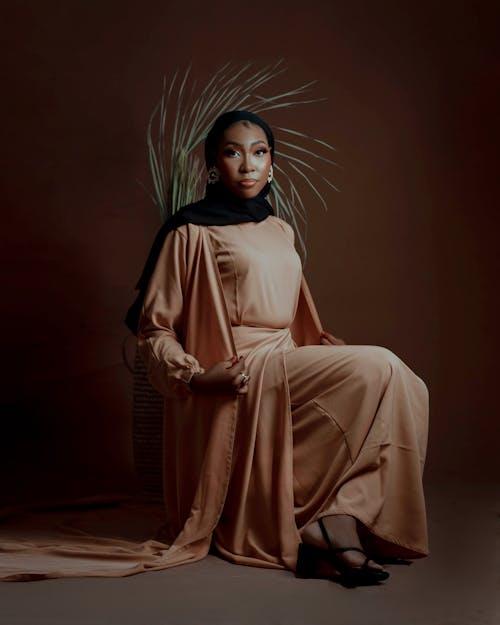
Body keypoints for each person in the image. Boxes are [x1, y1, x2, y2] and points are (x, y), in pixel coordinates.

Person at [133, 110, 429, 586]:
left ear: (271, 164)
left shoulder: (280, 229)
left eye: (259, 153)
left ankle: (336, 517)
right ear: (212, 166)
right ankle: (331, 524)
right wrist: (195, 376)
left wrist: (325, 349)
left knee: (405, 386)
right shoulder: (189, 231)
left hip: (285, 357)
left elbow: (296, 315)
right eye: (232, 153)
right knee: (382, 366)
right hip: (239, 368)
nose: (248, 165)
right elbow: (154, 331)